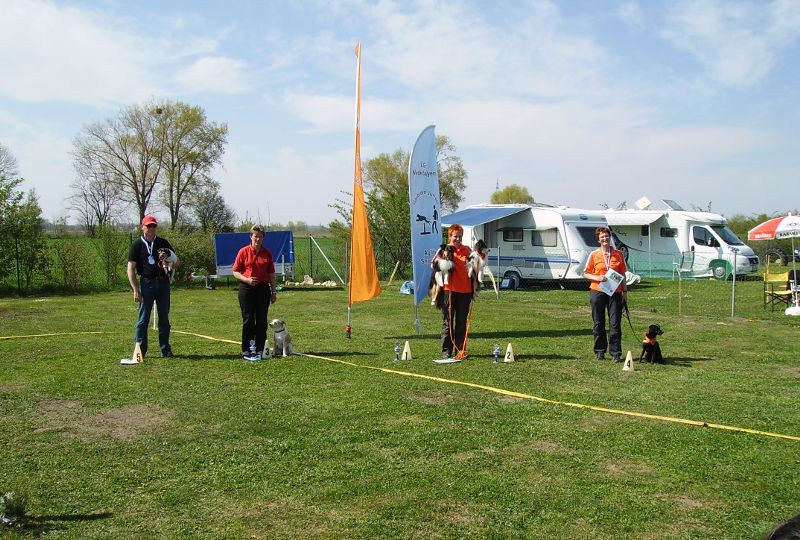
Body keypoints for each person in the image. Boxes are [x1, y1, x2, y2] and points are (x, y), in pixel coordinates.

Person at [127, 215, 178, 358]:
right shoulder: (137, 245)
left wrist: (171, 261)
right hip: (146, 284)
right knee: (143, 319)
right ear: (142, 227)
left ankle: (166, 349)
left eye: (154, 225)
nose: (151, 228)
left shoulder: (163, 243)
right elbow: (130, 268)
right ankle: (140, 350)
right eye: (148, 226)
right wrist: (136, 289)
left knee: (164, 318)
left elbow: (177, 262)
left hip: (163, 283)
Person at [232, 225, 277, 361]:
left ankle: (260, 348)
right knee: (248, 319)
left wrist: (273, 291)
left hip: (262, 289)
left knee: (262, 319)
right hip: (246, 288)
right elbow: (235, 271)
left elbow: (271, 273)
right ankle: (247, 348)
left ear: (263, 238)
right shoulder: (243, 251)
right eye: (255, 236)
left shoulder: (267, 253)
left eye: (260, 236)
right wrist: (247, 279)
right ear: (251, 237)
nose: (258, 239)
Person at [584, 226, 628, 362]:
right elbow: (586, 273)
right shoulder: (594, 254)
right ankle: (599, 351)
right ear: (598, 240)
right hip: (597, 291)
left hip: (615, 292)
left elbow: (622, 275)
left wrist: (625, 292)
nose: (605, 238)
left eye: (606, 236)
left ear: (610, 237)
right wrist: (597, 277)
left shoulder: (618, 254)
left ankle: (615, 353)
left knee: (615, 323)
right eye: (602, 237)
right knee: (598, 322)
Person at [434, 224, 474, 359]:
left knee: (461, 321)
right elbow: (434, 265)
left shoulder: (467, 250)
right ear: (450, 236)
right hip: (449, 290)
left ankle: (460, 350)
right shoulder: (444, 249)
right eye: (455, 236)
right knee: (448, 321)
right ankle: (446, 351)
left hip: (465, 291)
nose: (458, 239)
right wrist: (442, 261)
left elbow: (476, 264)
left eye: (460, 236)